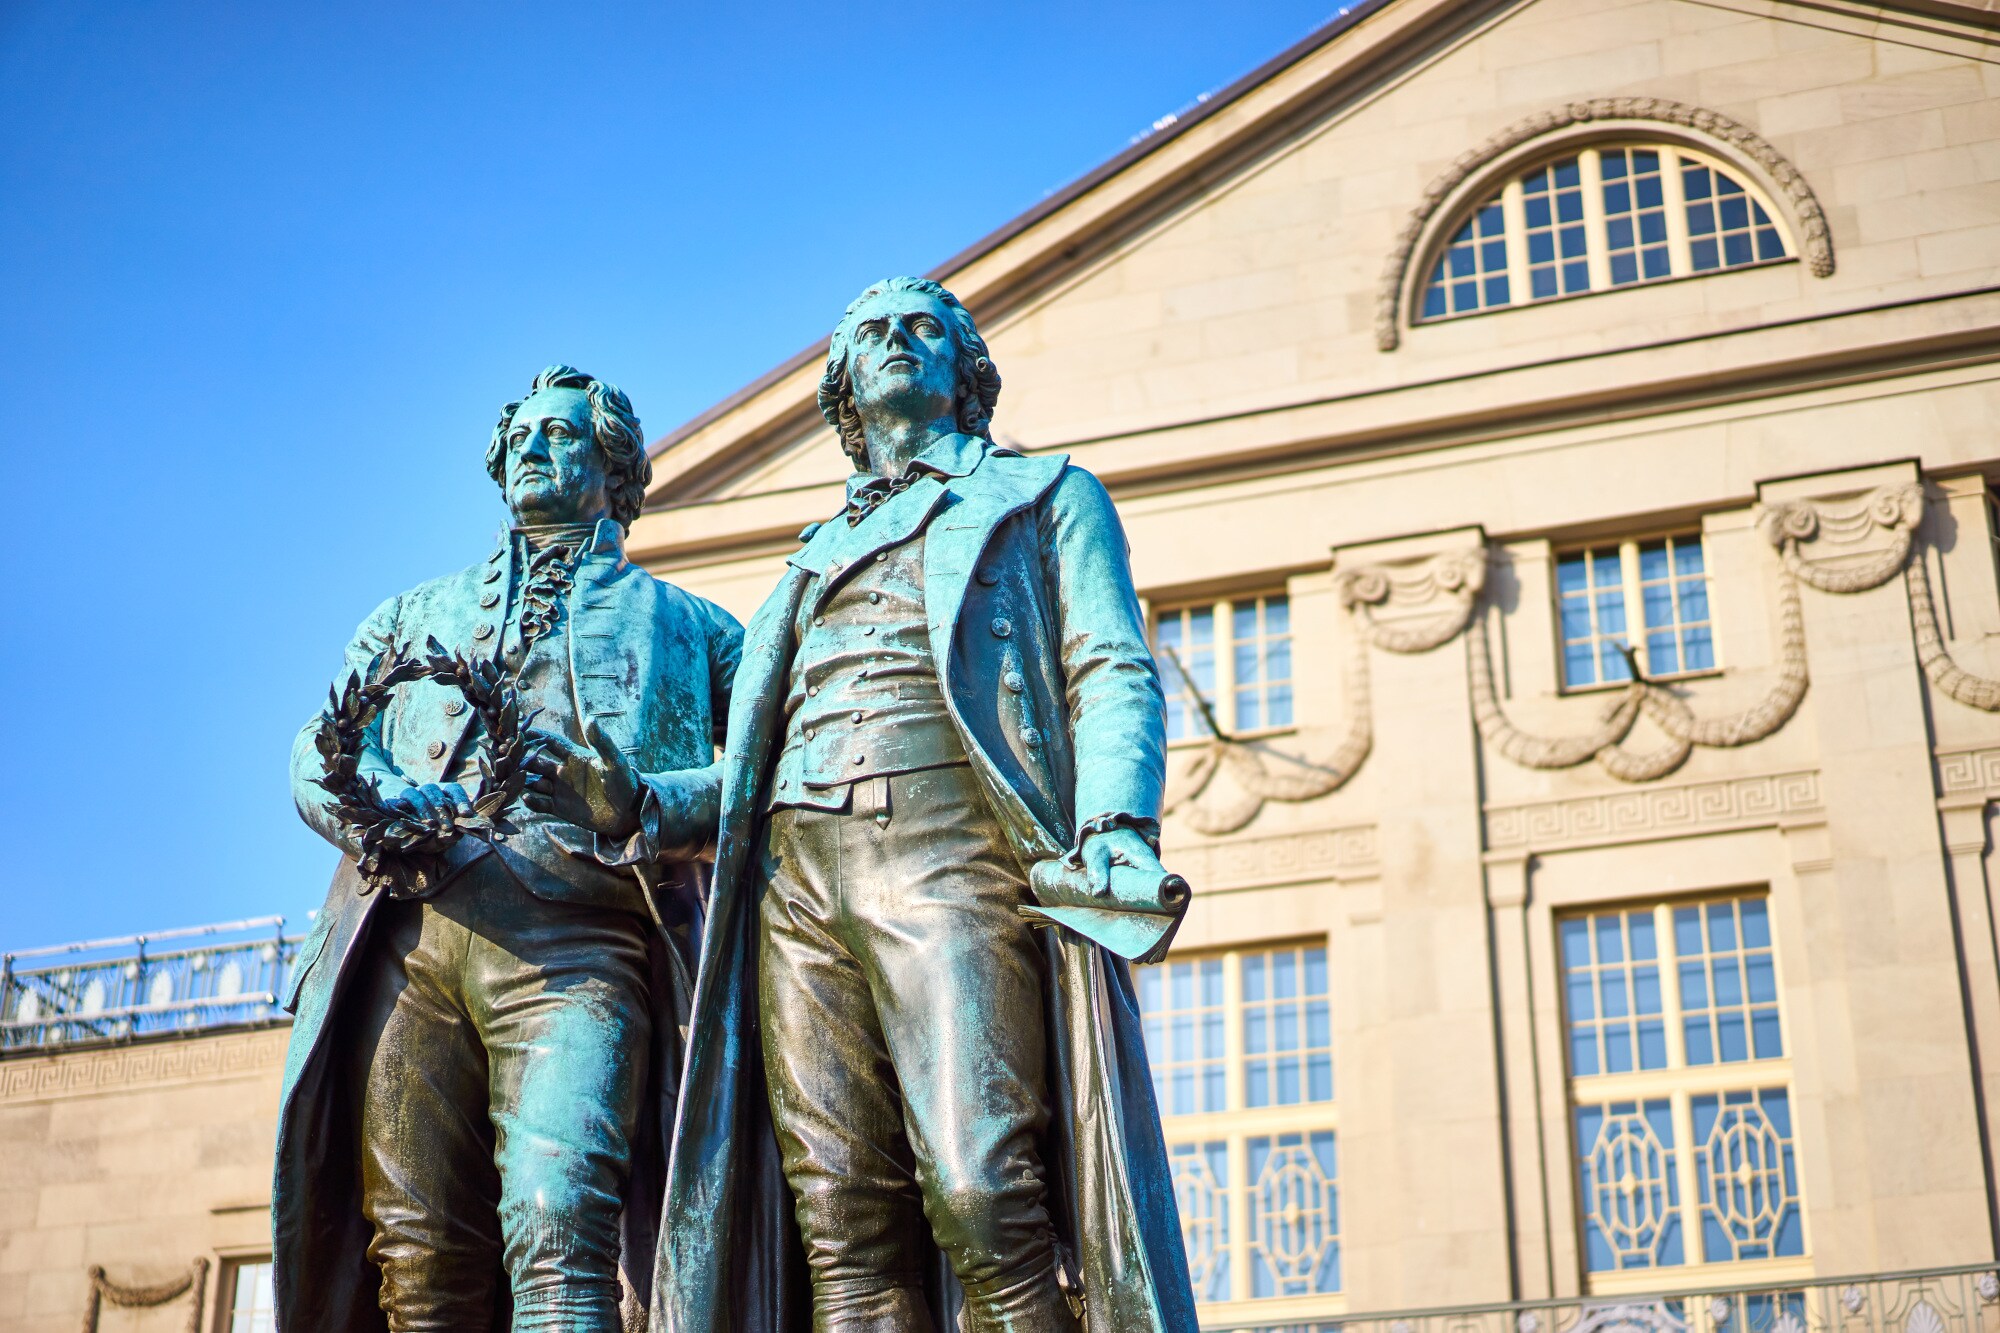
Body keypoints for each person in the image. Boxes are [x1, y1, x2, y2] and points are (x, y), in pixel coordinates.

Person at [657, 279, 1198, 1333]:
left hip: (947, 844)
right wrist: (635, 799)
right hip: (793, 878)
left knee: (980, 1186)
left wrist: (1117, 824)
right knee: (842, 1223)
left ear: (965, 370)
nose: (897, 340)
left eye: (923, 327)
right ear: (845, 386)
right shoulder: (808, 556)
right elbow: (747, 767)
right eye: (872, 332)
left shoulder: (1044, 492)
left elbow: (1109, 664)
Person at [276, 365, 741, 1333]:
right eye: (521, 436)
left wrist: (644, 798)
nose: (534, 447)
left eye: (561, 434)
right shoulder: (412, 614)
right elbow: (319, 749)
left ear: (614, 468)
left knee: (557, 1218)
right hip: (408, 944)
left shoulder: (692, 627)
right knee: (419, 1256)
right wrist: (380, 804)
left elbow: (769, 769)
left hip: (577, 944)